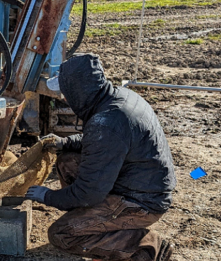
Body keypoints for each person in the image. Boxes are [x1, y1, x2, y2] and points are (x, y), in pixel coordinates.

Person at [26, 53, 176, 261]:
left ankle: (149, 247)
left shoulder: (106, 122)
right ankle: (92, 224)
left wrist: (47, 197)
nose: (64, 98)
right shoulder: (116, 98)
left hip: (141, 202)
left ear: (79, 91)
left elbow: (89, 193)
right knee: (67, 161)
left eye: (66, 92)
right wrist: (64, 143)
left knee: (61, 234)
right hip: (139, 182)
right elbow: (100, 141)